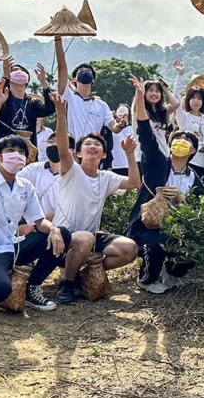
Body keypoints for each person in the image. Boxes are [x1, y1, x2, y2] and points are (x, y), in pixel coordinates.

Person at [0, 82, 84, 311]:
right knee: (0, 291)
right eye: (10, 151)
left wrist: (55, 229)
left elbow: (38, 221)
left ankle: (33, 286)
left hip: (13, 247)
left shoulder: (25, 185)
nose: (16, 155)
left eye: (21, 151)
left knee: (62, 233)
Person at [49, 93, 141, 303]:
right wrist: (61, 114)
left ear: (105, 155)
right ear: (78, 153)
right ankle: (68, 283)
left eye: (98, 145)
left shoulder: (106, 177)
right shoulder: (71, 170)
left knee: (129, 248)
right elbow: (63, 148)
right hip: (62, 239)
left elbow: (135, 183)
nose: (93, 146)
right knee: (85, 238)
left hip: (90, 237)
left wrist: (129, 154)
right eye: (87, 144)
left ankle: (85, 274)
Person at [126, 75, 204, 293]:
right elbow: (143, 130)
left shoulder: (194, 178)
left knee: (197, 245)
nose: (181, 142)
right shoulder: (157, 163)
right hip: (148, 225)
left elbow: (201, 209)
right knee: (157, 241)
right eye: (177, 138)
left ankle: (171, 273)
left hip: (180, 227)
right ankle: (147, 278)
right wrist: (140, 98)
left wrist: (182, 198)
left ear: (193, 151)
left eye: (187, 141)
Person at [55, 37, 128, 142]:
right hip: (72, 152)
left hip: (92, 152)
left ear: (93, 79)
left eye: (88, 71)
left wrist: (122, 124)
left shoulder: (102, 105)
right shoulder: (69, 97)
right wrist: (58, 41)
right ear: (74, 79)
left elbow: (114, 128)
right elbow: (62, 68)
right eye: (81, 71)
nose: (84, 71)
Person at [0, 56, 55, 150]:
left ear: (27, 80)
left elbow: (50, 109)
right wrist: (5, 76)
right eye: (14, 71)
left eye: (22, 72)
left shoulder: (33, 103)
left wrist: (44, 83)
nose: (19, 73)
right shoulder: (2, 99)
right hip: (4, 151)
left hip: (28, 154)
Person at [130, 62, 181, 160]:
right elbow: (137, 104)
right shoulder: (140, 111)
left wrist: (165, 89)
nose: (154, 93)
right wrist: (139, 92)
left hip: (163, 157)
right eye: (151, 90)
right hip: (143, 158)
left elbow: (176, 104)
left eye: (157, 91)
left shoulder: (162, 112)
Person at [174, 86, 204, 177]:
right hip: (189, 161)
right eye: (193, 98)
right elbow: (175, 97)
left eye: (199, 98)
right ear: (188, 100)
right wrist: (180, 75)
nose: (196, 101)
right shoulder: (184, 117)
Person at [110, 104, 135, 176]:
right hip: (113, 164)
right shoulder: (112, 128)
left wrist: (125, 123)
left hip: (126, 164)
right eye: (120, 114)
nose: (121, 117)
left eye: (124, 115)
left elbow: (130, 139)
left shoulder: (130, 128)